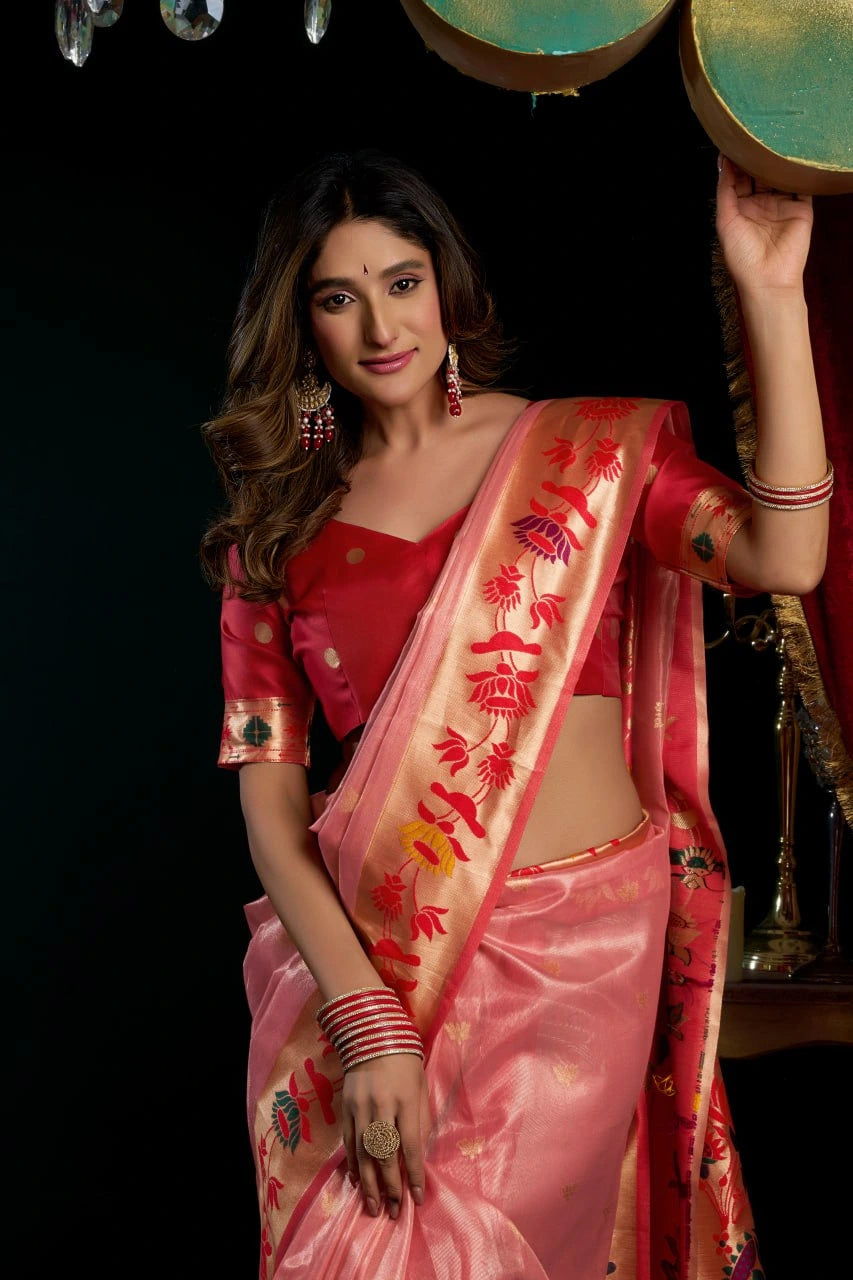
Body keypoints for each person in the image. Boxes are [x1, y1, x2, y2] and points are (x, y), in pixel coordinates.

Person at [199, 149, 828, 1279]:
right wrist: (366, 1019)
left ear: (445, 285)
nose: (381, 325)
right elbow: (272, 817)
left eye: (403, 281)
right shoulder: (275, 534)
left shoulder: (584, 455)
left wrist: (771, 294)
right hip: (377, 958)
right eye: (338, 298)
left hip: (575, 955)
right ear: (302, 327)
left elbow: (783, 554)